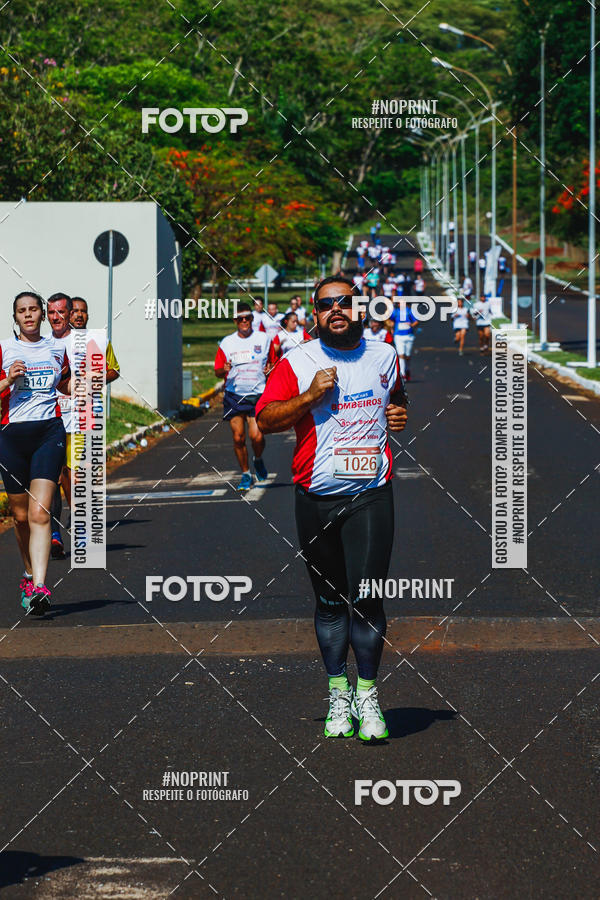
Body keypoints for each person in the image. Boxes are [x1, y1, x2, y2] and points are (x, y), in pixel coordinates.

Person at [256, 275, 408, 741]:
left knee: (365, 598)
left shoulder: (385, 355)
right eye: (326, 305)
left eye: (344, 302)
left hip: (371, 495)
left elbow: (396, 400)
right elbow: (264, 418)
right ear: (315, 313)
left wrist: (399, 414)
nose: (336, 310)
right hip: (315, 497)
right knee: (328, 602)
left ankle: (367, 693)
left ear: (360, 309)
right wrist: (309, 398)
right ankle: (337, 694)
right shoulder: (298, 361)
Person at [0, 292, 70, 613]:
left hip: (48, 432)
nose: (28, 315)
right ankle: (27, 573)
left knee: (40, 513)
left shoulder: (57, 348)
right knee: (21, 516)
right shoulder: (5, 348)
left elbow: (65, 383)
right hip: (11, 437)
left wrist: (83, 384)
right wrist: (8, 380)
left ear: (42, 314)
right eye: (21, 311)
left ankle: (40, 587)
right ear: (15, 317)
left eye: (33, 310)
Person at [214, 302, 274, 490]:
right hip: (234, 394)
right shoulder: (227, 343)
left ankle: (258, 459)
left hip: (258, 393)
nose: (244, 321)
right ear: (235, 320)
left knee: (256, 437)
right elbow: (217, 370)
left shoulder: (264, 339)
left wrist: (271, 368)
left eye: (247, 318)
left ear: (252, 318)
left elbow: (274, 362)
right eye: (240, 319)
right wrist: (222, 369)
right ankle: (246, 473)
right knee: (238, 437)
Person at [46, 292, 73, 559]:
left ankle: (81, 526)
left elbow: (110, 370)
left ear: (70, 313)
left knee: (74, 476)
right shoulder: (42, 344)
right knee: (54, 479)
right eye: (51, 313)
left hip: (81, 419)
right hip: (51, 421)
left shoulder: (87, 341)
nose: (56, 318)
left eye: (61, 312)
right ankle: (55, 533)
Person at [389, 298, 418, 382]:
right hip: (398, 335)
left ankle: (407, 369)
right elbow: (391, 320)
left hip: (409, 335)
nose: (399, 304)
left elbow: (416, 321)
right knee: (401, 355)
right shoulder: (396, 311)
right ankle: (402, 375)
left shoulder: (410, 311)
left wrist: (411, 325)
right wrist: (392, 327)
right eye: (398, 303)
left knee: (407, 356)